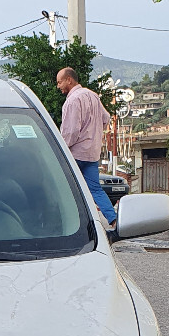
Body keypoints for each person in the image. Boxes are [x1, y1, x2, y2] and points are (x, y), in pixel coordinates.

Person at [56, 67, 117, 234]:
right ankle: (113, 220)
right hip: (92, 153)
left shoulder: (73, 100)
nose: (58, 86)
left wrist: (62, 148)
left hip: (75, 153)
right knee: (95, 189)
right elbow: (105, 119)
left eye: (60, 82)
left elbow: (71, 131)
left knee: (66, 189)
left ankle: (71, 225)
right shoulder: (93, 95)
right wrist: (93, 134)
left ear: (69, 80)